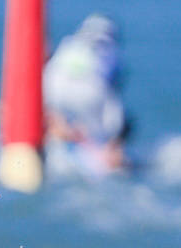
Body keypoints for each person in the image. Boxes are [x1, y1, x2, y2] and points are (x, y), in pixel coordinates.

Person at [43, 14, 130, 173]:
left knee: (56, 116)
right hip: (93, 92)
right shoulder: (110, 51)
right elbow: (113, 88)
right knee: (111, 126)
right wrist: (115, 138)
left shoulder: (69, 43)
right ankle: (111, 155)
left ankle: (58, 132)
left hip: (53, 85)